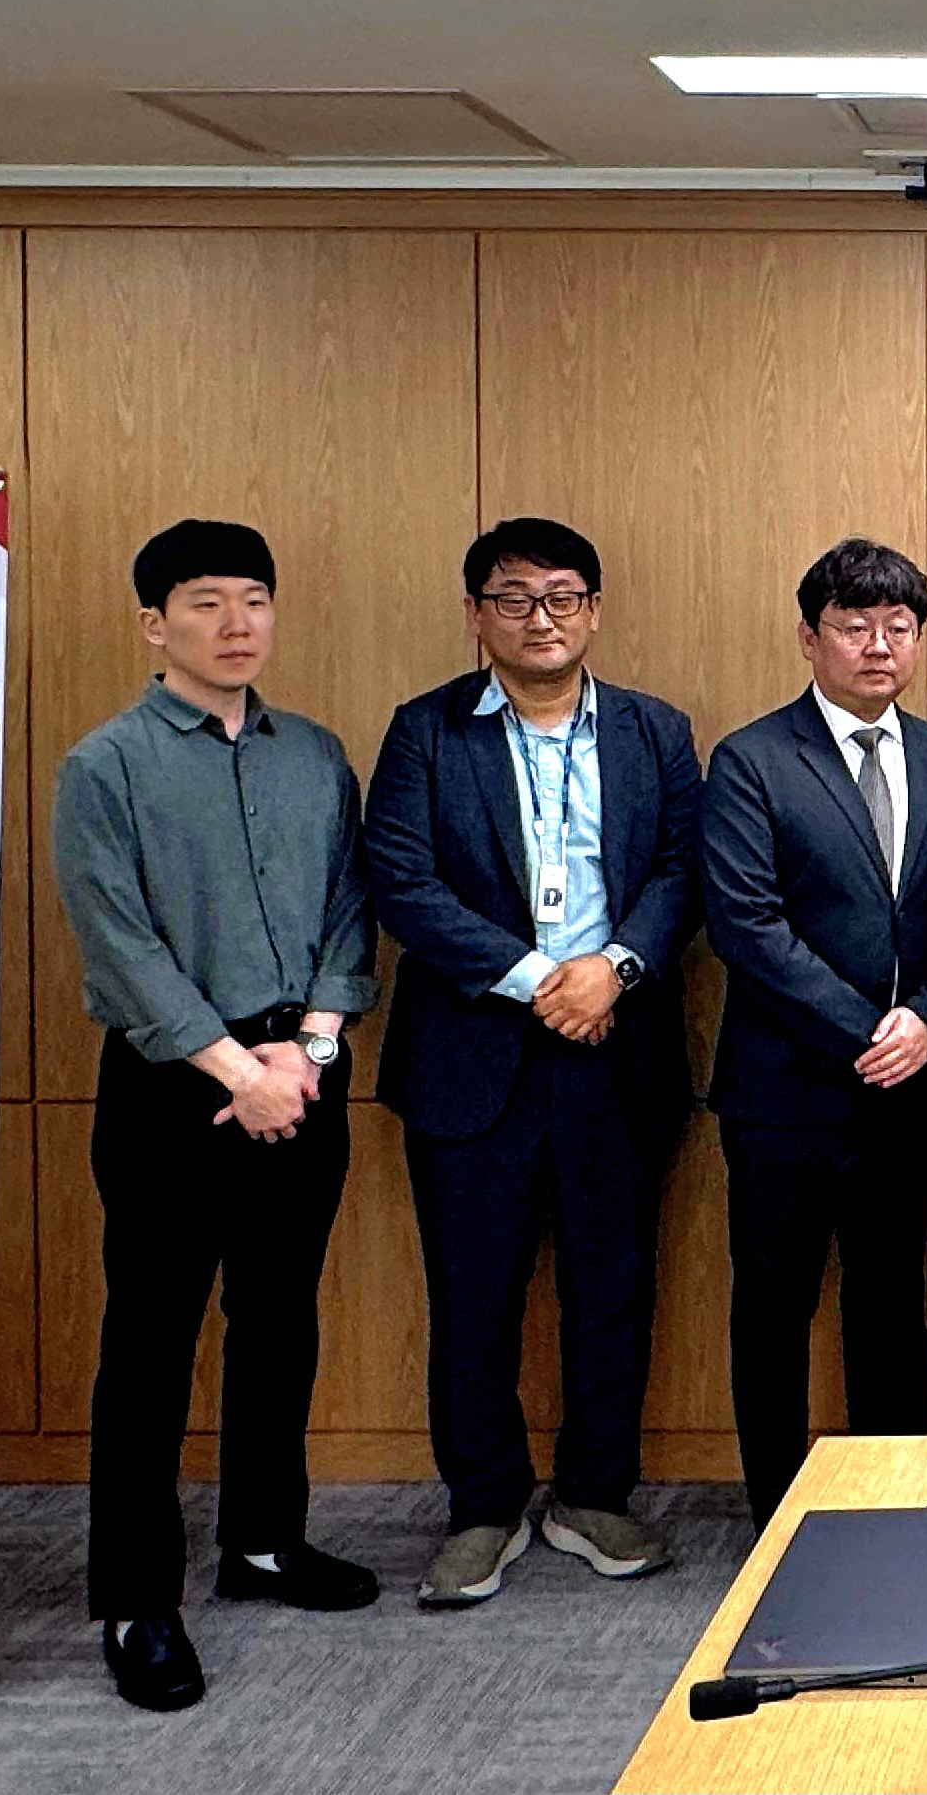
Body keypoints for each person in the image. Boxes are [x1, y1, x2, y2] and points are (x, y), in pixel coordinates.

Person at [51, 519, 380, 1711]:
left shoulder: (316, 754)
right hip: (174, 1087)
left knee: (279, 1319)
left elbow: (350, 909)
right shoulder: (104, 766)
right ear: (154, 623)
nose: (236, 623)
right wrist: (238, 1070)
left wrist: (313, 1049)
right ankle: (136, 1598)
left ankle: (263, 1542)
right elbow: (120, 945)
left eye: (254, 599)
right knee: (149, 1343)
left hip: (305, 1071)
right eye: (205, 602)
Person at [362, 518, 703, 1606]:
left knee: (613, 1286)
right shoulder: (424, 731)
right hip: (474, 1054)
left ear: (593, 609)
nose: (539, 617)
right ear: (477, 616)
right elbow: (402, 883)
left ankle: (595, 1494)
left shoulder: (655, 730)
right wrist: (537, 977)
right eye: (512, 598)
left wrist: (614, 968)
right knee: (473, 1293)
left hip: (618, 1044)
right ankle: (484, 1505)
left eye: (561, 596)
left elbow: (682, 868)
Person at [700, 538, 927, 1528]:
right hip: (784, 1094)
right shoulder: (752, 758)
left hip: (907, 1088)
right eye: (854, 626)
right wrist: (870, 1028)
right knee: (773, 1310)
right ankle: (779, 1515)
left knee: (891, 1306)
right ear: (809, 636)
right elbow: (746, 923)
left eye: (898, 626)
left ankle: (893, 1506)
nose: (878, 646)